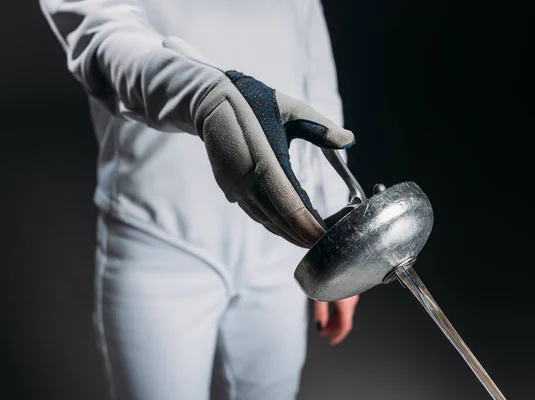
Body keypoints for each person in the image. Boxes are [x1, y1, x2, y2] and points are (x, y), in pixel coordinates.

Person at [40, 0, 360, 399]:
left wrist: (341, 234)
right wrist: (203, 96)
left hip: (283, 240)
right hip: (160, 243)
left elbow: (314, 74)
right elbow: (102, 41)